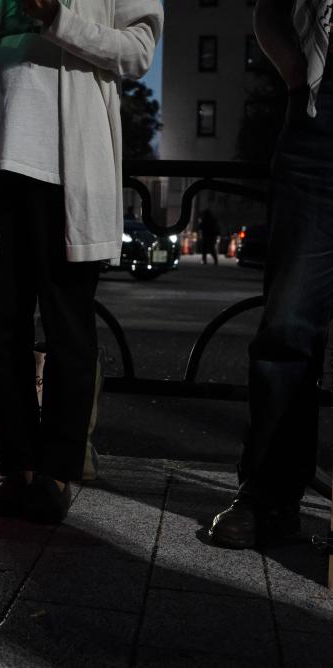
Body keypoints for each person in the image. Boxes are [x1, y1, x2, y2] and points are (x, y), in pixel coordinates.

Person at [0, 0, 162, 523]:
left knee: (68, 328)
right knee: (2, 329)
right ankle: (18, 469)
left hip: (68, 166)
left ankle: (57, 472)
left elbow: (137, 52)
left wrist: (55, 17)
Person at [209, 0, 333, 549]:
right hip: (319, 117)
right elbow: (270, 7)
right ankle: (269, 497)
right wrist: (297, 73)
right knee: (287, 324)